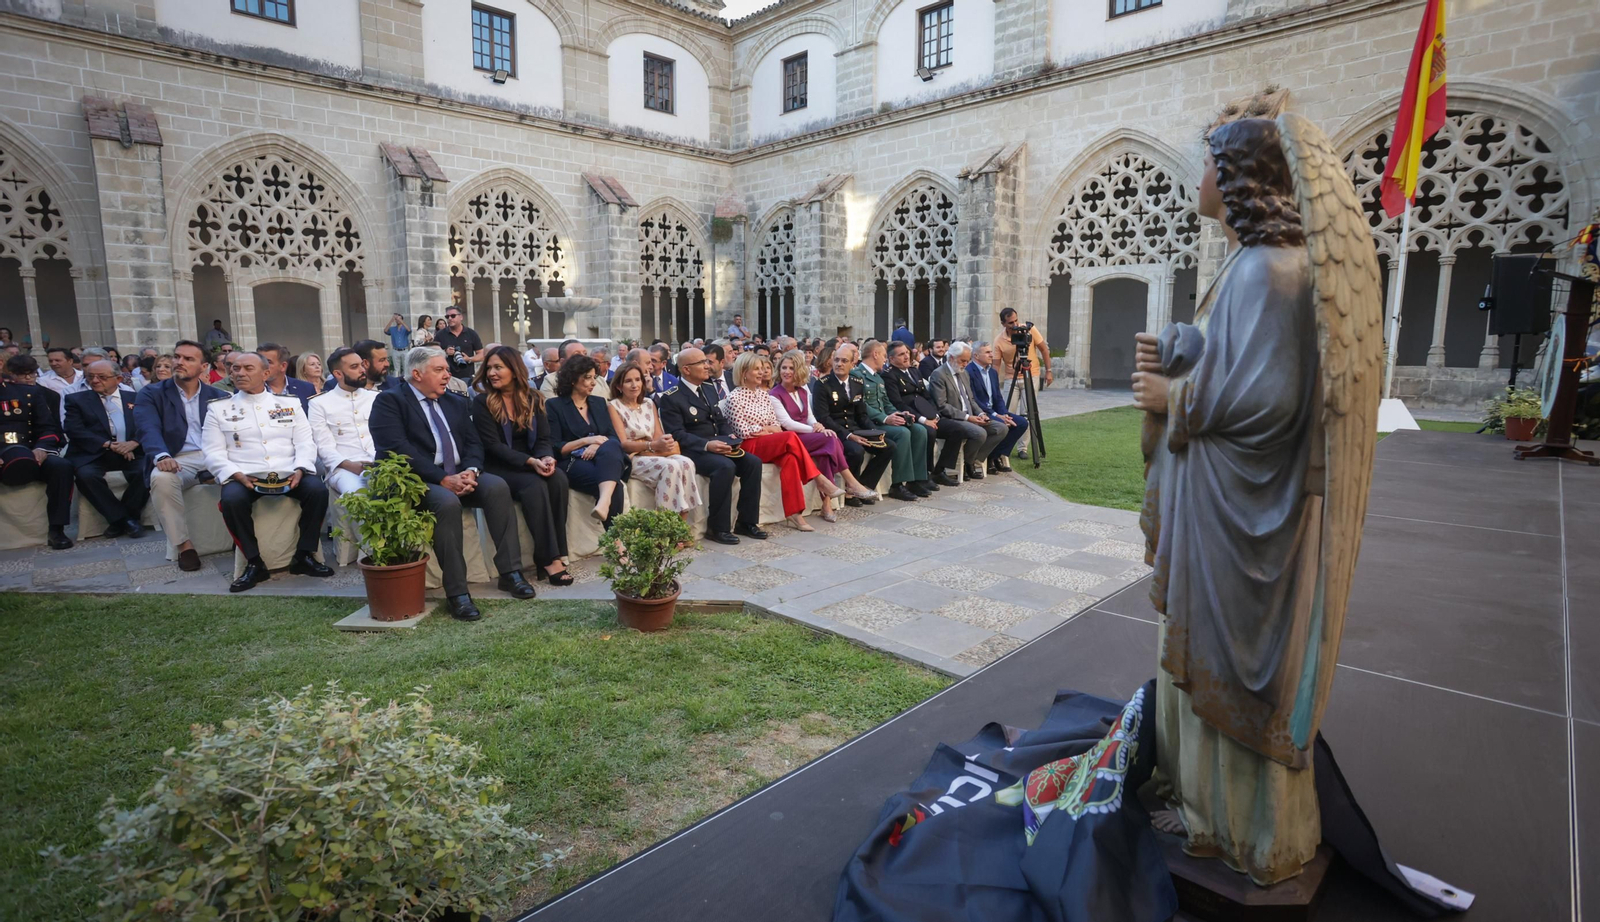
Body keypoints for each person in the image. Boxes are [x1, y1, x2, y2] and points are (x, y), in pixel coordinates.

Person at [370, 345, 536, 621]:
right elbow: (396, 449)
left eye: (447, 369)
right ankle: (457, 592)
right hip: (414, 479)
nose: (448, 375)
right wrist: (443, 479)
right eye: (440, 370)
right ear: (416, 374)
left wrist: (471, 470)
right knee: (446, 503)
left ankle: (510, 573)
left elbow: (473, 442)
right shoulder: (390, 401)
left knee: (496, 487)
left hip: (457, 474)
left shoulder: (456, 401)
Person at [200, 351, 333, 593]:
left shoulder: (289, 404)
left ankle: (304, 555)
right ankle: (254, 562)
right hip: (245, 475)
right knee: (231, 500)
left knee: (318, 491)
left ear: (266, 373)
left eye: (248, 368)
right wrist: (234, 474)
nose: (240, 373)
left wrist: (301, 468)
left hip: (288, 471)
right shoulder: (220, 409)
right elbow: (212, 452)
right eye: (236, 369)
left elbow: (305, 442)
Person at [472, 345, 572, 585]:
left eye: (498, 367)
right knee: (534, 485)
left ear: (515, 370)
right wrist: (531, 462)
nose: (491, 373)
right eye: (489, 368)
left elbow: (544, 439)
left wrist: (546, 458)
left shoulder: (534, 398)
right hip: (499, 465)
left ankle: (557, 551)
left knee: (558, 478)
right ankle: (549, 559)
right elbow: (492, 446)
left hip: (532, 461)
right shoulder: (483, 401)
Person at [133, 340, 227, 571]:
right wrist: (161, 455)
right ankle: (184, 546)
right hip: (176, 458)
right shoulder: (152, 393)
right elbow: (147, 427)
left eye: (188, 359)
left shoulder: (220, 396)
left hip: (215, 456)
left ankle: (245, 541)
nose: (179, 362)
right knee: (161, 478)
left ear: (204, 367)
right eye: (177, 357)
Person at [723, 352, 844, 530]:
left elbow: (776, 425)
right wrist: (766, 430)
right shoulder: (734, 398)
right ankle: (819, 479)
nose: (761, 373)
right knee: (790, 437)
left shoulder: (763, 395)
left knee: (791, 459)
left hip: (769, 441)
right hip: (748, 446)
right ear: (743, 373)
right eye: (756, 369)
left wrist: (766, 430)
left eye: (761, 369)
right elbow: (742, 432)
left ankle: (795, 514)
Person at [659, 347, 766, 546]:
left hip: (719, 444)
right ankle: (718, 527)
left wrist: (729, 437)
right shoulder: (671, 397)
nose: (707, 366)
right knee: (725, 467)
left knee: (753, 462)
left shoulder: (709, 389)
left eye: (707, 361)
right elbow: (677, 434)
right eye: (701, 362)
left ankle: (747, 521)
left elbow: (720, 419)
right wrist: (708, 445)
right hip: (695, 450)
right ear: (686, 369)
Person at [771, 349, 879, 508]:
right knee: (830, 439)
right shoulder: (775, 394)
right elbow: (787, 423)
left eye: (791, 368)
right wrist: (815, 430)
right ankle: (852, 483)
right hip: (791, 437)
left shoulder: (801, 390)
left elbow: (809, 415)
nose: (787, 372)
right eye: (784, 368)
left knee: (826, 450)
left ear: (799, 370)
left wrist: (817, 425)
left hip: (807, 434)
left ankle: (826, 505)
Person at [64, 359, 149, 538]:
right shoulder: (77, 400)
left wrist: (133, 443)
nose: (95, 381)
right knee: (86, 476)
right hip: (94, 453)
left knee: (148, 470)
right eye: (91, 377)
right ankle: (124, 520)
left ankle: (122, 518)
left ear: (118, 379)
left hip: (130, 450)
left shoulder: (135, 398)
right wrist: (109, 445)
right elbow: (74, 430)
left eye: (101, 377)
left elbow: (148, 425)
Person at [607, 361, 700, 521]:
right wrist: (650, 445)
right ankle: (665, 524)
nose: (634, 385)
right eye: (628, 381)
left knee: (686, 462)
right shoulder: (613, 406)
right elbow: (623, 444)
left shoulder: (649, 403)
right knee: (671, 466)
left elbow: (658, 436)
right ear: (619, 386)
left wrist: (664, 443)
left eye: (638, 380)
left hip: (654, 451)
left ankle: (682, 522)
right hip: (633, 457)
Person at [1, 353, 73, 548]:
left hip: (32, 451)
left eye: (30, 373)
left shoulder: (33, 394)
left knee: (61, 467)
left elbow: (49, 427)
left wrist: (41, 448)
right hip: (3, 454)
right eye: (22, 374)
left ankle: (57, 529)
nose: (27, 378)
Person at [545, 354, 627, 525]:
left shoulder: (598, 403)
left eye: (594, 377)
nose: (593, 383)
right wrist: (587, 441)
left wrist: (597, 446)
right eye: (587, 378)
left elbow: (612, 436)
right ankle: (617, 544)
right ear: (573, 380)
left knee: (612, 444)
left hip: (603, 456)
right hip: (573, 461)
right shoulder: (554, 406)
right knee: (615, 486)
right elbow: (555, 446)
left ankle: (603, 503)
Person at [811, 343, 896, 499]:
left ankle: (863, 485)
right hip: (836, 432)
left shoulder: (857, 383)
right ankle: (853, 491)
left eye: (844, 361)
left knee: (888, 446)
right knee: (856, 450)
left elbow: (861, 414)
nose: (839, 364)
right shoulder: (822, 385)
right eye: (836, 360)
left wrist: (874, 433)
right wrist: (849, 436)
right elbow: (823, 417)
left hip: (855, 428)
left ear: (852, 364)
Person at [853, 340, 930, 501]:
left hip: (883, 420)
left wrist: (899, 414)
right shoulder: (857, 375)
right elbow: (862, 405)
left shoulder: (878, 378)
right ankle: (897, 484)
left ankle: (915, 479)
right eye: (882, 355)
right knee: (902, 433)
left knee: (919, 429)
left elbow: (887, 403)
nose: (884, 359)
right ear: (875, 354)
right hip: (869, 423)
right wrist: (886, 418)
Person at [881, 341, 966, 487]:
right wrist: (923, 420)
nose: (906, 356)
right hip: (912, 417)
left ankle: (938, 471)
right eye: (901, 354)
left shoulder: (914, 371)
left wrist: (935, 415)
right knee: (929, 432)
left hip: (928, 415)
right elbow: (898, 403)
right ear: (891, 359)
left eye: (907, 352)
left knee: (957, 430)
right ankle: (924, 475)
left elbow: (926, 396)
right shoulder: (889, 375)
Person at [930, 342, 1006, 481]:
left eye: (967, 360)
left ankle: (973, 459)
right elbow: (942, 406)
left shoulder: (964, 373)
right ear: (952, 358)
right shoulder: (939, 375)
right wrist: (967, 417)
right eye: (963, 361)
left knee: (1001, 428)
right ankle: (967, 464)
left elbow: (971, 400)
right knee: (979, 433)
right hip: (954, 418)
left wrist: (981, 414)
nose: (966, 364)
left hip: (970, 415)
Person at [306, 347, 377, 496]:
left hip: (379, 464)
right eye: (354, 367)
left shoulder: (376, 398)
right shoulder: (320, 403)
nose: (362, 370)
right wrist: (351, 465)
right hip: (343, 468)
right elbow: (323, 446)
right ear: (338, 374)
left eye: (362, 365)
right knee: (357, 495)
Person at [967, 341, 1028, 474]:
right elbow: (974, 400)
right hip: (980, 413)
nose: (991, 355)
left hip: (995, 412)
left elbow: (998, 398)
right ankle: (989, 459)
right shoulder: (969, 372)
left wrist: (1004, 414)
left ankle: (995, 455)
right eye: (987, 352)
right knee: (1003, 426)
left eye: (991, 351)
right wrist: (996, 415)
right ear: (976, 356)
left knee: (1021, 423)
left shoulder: (992, 373)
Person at [994, 307, 1054, 395]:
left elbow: (1044, 349)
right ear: (1003, 324)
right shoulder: (999, 340)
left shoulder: (1029, 330)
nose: (1015, 325)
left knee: (1027, 408)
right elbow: (996, 364)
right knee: (1009, 408)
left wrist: (1048, 371)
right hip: (1011, 377)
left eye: (1016, 320)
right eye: (1011, 323)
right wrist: (994, 383)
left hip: (1031, 374)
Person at [540, 340, 610, 399]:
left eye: (585, 353)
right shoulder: (551, 381)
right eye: (577, 355)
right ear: (562, 362)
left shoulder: (600, 380)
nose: (583, 357)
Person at [256, 342, 315, 411]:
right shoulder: (251, 389)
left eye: (268, 362)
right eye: (260, 362)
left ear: (283, 366)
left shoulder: (306, 388)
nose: (262, 366)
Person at [434, 307, 484, 382]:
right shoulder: (440, 335)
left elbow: (481, 354)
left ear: (461, 317)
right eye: (447, 317)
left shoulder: (471, 333)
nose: (450, 318)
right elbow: (433, 355)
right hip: (447, 377)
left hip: (467, 377)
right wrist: (445, 352)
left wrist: (469, 359)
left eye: (453, 316)